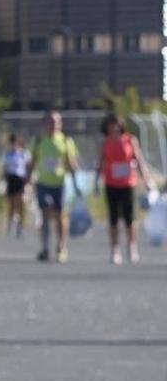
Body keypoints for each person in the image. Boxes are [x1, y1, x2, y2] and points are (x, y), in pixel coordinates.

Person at [94, 113, 152, 265]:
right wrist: (96, 181)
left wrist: (146, 180)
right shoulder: (105, 143)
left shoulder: (130, 140)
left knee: (129, 218)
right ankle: (115, 249)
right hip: (111, 183)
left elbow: (139, 160)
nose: (114, 127)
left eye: (117, 124)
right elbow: (100, 163)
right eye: (111, 124)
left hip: (128, 183)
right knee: (113, 218)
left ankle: (132, 247)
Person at [30, 110, 80, 262]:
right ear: (45, 124)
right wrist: (28, 182)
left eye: (57, 122)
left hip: (60, 184)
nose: (54, 125)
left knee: (60, 216)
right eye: (51, 122)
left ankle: (61, 247)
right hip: (43, 183)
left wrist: (76, 184)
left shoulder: (66, 141)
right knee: (44, 216)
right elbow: (32, 163)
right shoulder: (38, 140)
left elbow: (72, 164)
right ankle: (45, 248)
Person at [1, 133, 31, 238]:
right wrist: (3, 182)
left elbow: (28, 168)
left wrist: (29, 182)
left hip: (21, 180)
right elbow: (4, 170)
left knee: (21, 203)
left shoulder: (24, 154)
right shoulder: (7, 155)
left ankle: (20, 227)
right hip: (11, 179)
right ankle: (9, 227)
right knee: (11, 205)